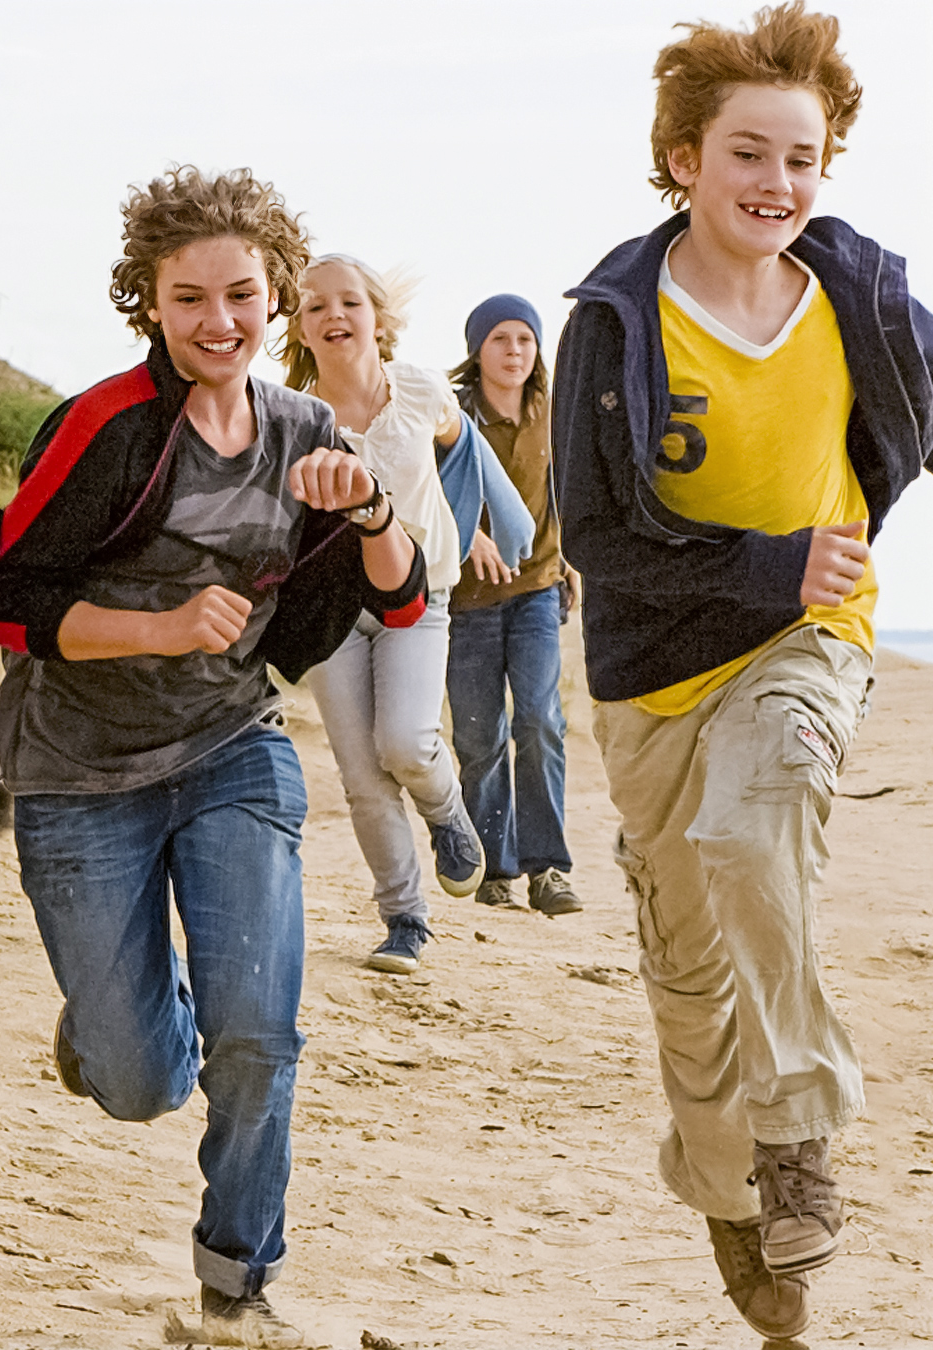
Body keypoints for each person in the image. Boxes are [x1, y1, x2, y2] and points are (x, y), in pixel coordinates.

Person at [0, 165, 423, 1350]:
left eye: (244, 296)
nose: (220, 322)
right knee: (141, 1079)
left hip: (230, 752)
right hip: (75, 772)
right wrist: (158, 625)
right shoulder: (105, 426)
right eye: (190, 297)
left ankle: (236, 1284)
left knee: (260, 1029)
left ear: (275, 301)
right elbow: (6, 594)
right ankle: (111, 1031)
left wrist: (364, 509)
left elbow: (401, 599)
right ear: (149, 302)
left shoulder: (311, 434)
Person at [553, 4, 933, 1342]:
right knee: (690, 983)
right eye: (749, 154)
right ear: (683, 158)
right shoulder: (612, 319)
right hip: (652, 671)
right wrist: (772, 562)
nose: (778, 183)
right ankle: (729, 1193)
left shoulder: (872, 302)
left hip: (809, 642)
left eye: (803, 158)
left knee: (755, 829)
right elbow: (597, 536)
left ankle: (801, 1139)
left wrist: (810, 577)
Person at [281, 256, 494, 974]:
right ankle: (404, 918)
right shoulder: (296, 418)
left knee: (405, 742)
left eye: (349, 302)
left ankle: (447, 811)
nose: (334, 315)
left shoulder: (424, 389)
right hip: (337, 609)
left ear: (378, 316)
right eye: (316, 307)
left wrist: (473, 529)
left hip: (423, 594)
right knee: (363, 775)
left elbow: (466, 454)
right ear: (301, 328)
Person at [445, 295, 579, 916]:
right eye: (500, 339)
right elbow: (426, 495)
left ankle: (548, 869)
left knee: (541, 721)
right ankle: (494, 868)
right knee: (477, 736)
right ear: (478, 350)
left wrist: (573, 560)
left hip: (536, 591)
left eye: (525, 340)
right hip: (465, 602)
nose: (515, 351)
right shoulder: (450, 418)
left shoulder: (556, 415)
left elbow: (572, 495)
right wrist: (464, 537)